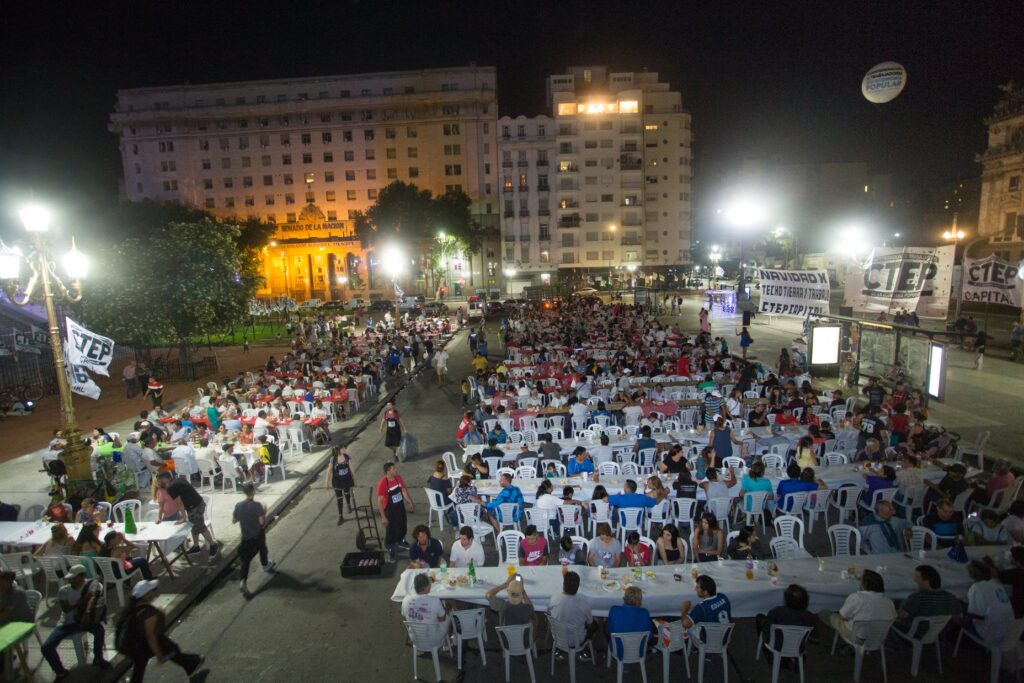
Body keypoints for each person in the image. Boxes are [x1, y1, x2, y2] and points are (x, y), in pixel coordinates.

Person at [116, 579, 206, 683]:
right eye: (151, 590)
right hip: (138, 645)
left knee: (141, 666)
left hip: (129, 646)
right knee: (167, 646)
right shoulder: (148, 613)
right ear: (146, 595)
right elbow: (151, 636)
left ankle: (191, 664)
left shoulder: (131, 609)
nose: (154, 592)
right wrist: (158, 654)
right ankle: (191, 663)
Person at [42, 564, 110, 677]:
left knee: (100, 631)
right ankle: (60, 671)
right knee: (46, 647)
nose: (71, 580)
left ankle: (98, 658)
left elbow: (93, 597)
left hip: (85, 621)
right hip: (67, 623)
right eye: (70, 578)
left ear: (82, 576)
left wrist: (87, 613)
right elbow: (66, 609)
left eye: (74, 577)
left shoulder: (92, 584)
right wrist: (83, 600)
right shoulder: (63, 591)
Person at [817, 569, 895, 643]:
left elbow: (842, 616)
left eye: (860, 579)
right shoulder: (889, 601)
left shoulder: (857, 597)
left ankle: (828, 638)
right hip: (878, 637)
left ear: (865, 584)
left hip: (856, 636)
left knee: (823, 612)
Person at [157, 473, 220, 558]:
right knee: (194, 526)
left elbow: (179, 503)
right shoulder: (178, 479)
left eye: (160, 480)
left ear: (165, 479)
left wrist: (183, 518)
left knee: (200, 527)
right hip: (198, 503)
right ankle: (196, 546)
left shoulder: (171, 487)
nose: (158, 482)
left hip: (195, 507)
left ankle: (213, 545)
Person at [893, 565, 962, 637]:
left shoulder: (917, 598)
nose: (915, 580)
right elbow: (958, 616)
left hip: (914, 633)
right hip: (938, 633)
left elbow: (901, 615)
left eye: (917, 578)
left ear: (926, 581)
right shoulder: (951, 598)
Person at [233, 482, 276, 597]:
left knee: (245, 561)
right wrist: (264, 511)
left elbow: (234, 520)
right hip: (257, 535)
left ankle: (243, 581)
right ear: (253, 492)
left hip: (245, 537)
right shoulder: (257, 506)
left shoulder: (238, 505)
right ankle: (265, 564)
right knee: (263, 548)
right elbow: (262, 522)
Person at [961, 560, 1014, 645]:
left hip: (989, 632)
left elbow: (977, 615)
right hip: (1008, 629)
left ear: (972, 573)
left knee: (955, 615)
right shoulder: (997, 584)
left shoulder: (976, 587)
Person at [549, 571, 596, 660]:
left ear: (563, 585)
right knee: (595, 625)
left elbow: (549, 613)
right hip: (577, 641)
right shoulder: (584, 603)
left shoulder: (554, 597)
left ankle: (559, 649)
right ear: (578, 587)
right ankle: (585, 650)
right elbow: (590, 624)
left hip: (558, 637)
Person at [756, 584, 816, 652]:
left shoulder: (777, 611)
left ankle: (767, 651)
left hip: (777, 644)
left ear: (786, 599)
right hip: (797, 647)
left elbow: (766, 628)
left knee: (759, 617)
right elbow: (815, 638)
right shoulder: (809, 616)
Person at [377, 462, 415, 561]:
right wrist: (383, 517)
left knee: (402, 525)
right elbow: (379, 501)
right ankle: (391, 548)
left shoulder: (398, 478)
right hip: (390, 511)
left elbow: (403, 491)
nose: (396, 470)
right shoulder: (383, 483)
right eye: (394, 469)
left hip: (400, 508)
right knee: (391, 530)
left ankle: (401, 540)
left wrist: (410, 502)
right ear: (388, 471)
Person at [681, 575, 732, 639]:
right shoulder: (723, 596)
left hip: (708, 640)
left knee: (688, 628)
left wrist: (684, 610)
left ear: (705, 592)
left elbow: (685, 624)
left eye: (697, 588)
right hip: (725, 637)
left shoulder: (701, 608)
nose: (695, 589)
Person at [486, 574, 535, 641]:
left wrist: (505, 584)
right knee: (533, 622)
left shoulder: (502, 605)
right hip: (525, 642)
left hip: (506, 642)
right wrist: (522, 590)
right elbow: (531, 608)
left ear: (508, 592)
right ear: (521, 594)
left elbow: (488, 595)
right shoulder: (527, 608)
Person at [606, 586, 650, 659]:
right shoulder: (645, 613)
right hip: (638, 650)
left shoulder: (614, 610)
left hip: (618, 650)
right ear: (640, 600)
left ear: (624, 597)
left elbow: (609, 630)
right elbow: (649, 635)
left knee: (606, 625)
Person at [983, 547, 1024, 618]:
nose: (1010, 558)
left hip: (1017, 610)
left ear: (1017, 561)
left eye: (1012, 557)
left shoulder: (1018, 573)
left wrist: (988, 563)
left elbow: (996, 574)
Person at [325, 444, 356, 525]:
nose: (345, 449)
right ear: (339, 450)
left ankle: (348, 504)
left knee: (347, 493)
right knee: (339, 499)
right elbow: (329, 472)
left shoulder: (346, 456)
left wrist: (353, 477)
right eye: (343, 448)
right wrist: (327, 483)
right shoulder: (333, 459)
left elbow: (351, 467)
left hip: (346, 479)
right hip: (337, 481)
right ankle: (340, 516)